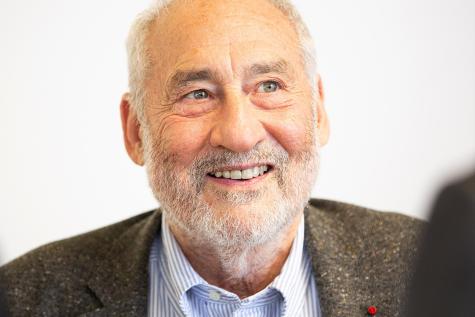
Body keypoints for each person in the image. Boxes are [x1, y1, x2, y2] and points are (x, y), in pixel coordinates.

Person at [0, 0, 423, 316]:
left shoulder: (432, 268)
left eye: (269, 86)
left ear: (318, 110)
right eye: (197, 94)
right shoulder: (23, 298)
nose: (239, 135)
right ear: (135, 132)